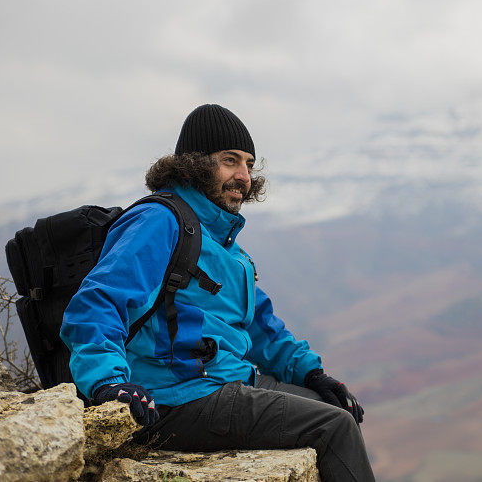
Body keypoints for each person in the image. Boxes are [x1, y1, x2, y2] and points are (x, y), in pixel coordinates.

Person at [59, 104, 375, 481]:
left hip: (227, 379)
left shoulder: (225, 243)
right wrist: (110, 382)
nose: (243, 176)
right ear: (193, 165)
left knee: (334, 408)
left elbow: (260, 324)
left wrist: (312, 374)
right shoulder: (159, 221)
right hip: (176, 395)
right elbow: (97, 303)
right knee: (333, 427)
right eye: (230, 161)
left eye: (249, 164)